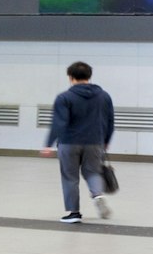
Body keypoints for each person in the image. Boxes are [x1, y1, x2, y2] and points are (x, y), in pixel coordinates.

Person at [39, 60, 114, 223]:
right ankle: (98, 195)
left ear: (71, 77)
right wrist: (106, 140)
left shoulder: (64, 97)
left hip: (69, 142)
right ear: (89, 76)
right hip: (95, 142)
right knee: (93, 172)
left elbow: (59, 122)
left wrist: (48, 144)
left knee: (70, 177)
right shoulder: (104, 96)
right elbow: (110, 120)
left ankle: (74, 213)